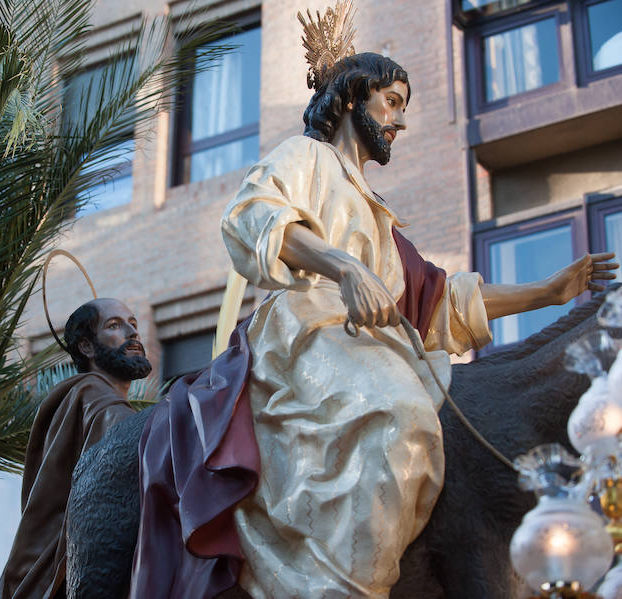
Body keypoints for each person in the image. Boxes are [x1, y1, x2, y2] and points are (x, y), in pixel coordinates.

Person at [129, 9, 617, 599]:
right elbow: (254, 217)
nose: (400, 121)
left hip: (380, 348)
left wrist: (549, 291)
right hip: (310, 333)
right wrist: (343, 266)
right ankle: (338, 585)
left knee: (437, 413)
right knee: (398, 418)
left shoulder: (378, 217)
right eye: (391, 101)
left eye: (402, 106)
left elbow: (440, 301)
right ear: (353, 97)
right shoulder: (305, 158)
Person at [0, 298, 151, 599]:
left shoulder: (93, 396)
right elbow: (124, 442)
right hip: (61, 575)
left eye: (133, 323)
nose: (133, 333)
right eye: (115, 325)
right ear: (87, 347)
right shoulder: (89, 392)